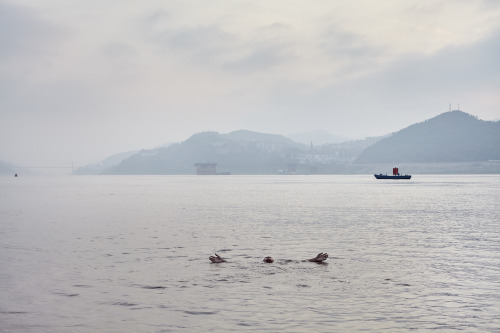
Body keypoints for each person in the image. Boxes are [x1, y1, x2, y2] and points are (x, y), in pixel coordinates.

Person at [208, 252, 328, 263]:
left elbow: (302, 261)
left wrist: (315, 259)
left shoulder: (285, 262)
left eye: (270, 256)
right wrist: (222, 261)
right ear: (263, 261)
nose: (268, 257)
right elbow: (233, 264)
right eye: (266, 257)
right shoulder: (253, 265)